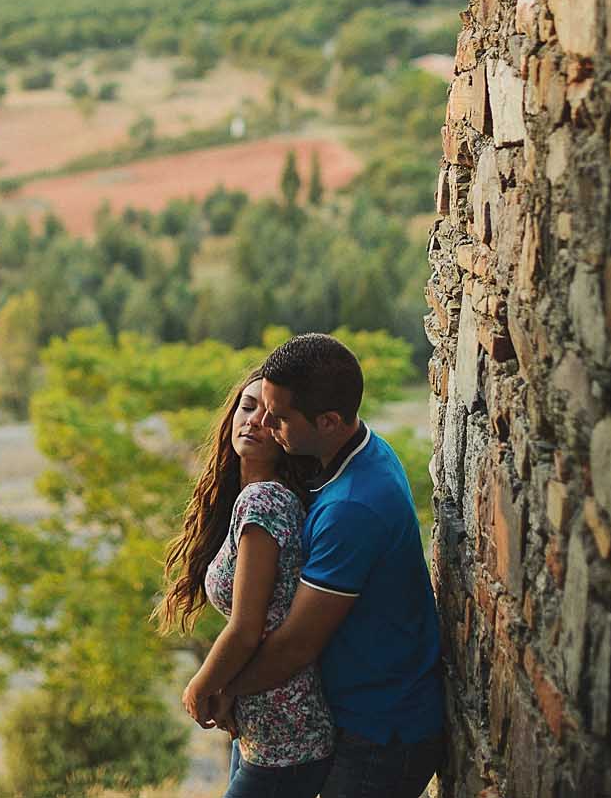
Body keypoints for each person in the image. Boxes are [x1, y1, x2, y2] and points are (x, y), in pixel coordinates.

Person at [199, 334, 446, 798]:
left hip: (381, 730)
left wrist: (223, 687)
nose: (265, 425)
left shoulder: (352, 507)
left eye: (279, 417)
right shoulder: (352, 451)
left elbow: (295, 645)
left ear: (329, 421)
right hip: (352, 715)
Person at [156, 369, 335, 798]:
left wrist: (199, 686)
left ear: (287, 434)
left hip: (287, 737)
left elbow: (246, 628)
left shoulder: (265, 501)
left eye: (271, 415)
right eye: (248, 406)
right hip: (260, 726)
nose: (255, 420)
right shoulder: (248, 498)